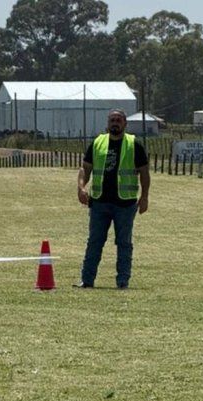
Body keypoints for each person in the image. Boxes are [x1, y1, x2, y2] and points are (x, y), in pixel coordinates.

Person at [75, 109, 150, 289]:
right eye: (112, 120)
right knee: (94, 242)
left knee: (124, 243)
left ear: (125, 124)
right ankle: (87, 280)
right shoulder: (97, 143)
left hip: (125, 204)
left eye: (118, 120)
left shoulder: (134, 144)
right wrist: (81, 188)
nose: (115, 123)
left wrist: (145, 197)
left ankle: (122, 282)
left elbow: (144, 173)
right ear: (107, 123)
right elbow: (85, 169)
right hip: (99, 202)